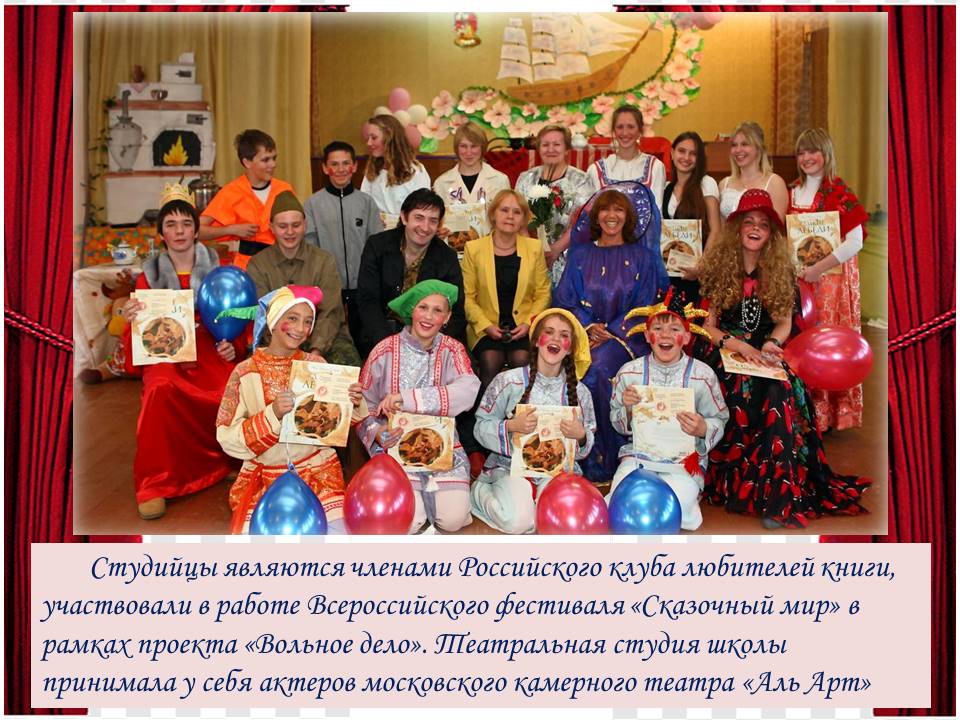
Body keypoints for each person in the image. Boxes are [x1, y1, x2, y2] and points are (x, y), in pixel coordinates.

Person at [697, 189, 871, 529]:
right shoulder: (719, 268)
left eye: (763, 224)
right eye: (749, 221)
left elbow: (784, 322)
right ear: (737, 228)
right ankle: (740, 482)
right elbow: (709, 327)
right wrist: (739, 347)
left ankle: (778, 496)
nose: (755, 228)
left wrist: (772, 344)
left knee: (779, 389)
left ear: (771, 234)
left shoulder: (779, 269)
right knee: (738, 386)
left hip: (767, 349)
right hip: (727, 348)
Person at [119, 184, 244, 520]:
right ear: (161, 232)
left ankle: (224, 460)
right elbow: (143, 335)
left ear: (196, 229)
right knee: (160, 388)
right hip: (166, 349)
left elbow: (236, 315)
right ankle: (155, 482)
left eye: (186, 224)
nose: (179, 231)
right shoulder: (147, 276)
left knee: (227, 386)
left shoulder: (219, 267)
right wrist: (132, 318)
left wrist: (232, 344)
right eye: (171, 225)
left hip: (207, 344)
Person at [216, 285, 364, 533]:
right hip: (265, 481)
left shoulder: (316, 364)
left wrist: (352, 402)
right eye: (292, 318)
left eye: (307, 322)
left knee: (337, 538)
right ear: (273, 321)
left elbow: (335, 426)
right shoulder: (244, 372)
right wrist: (272, 414)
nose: (300, 328)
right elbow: (226, 437)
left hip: (319, 475)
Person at [554, 185, 670, 482]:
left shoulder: (642, 257)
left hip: (628, 337)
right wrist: (588, 326)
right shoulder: (580, 255)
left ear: (628, 217)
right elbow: (564, 299)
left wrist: (613, 330)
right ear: (596, 216)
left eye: (619, 209)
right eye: (605, 209)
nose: (611, 215)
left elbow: (646, 304)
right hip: (582, 333)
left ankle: (608, 460)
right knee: (574, 363)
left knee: (598, 367)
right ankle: (576, 455)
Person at [357, 280, 480, 533]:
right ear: (412, 310)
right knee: (409, 521)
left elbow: (469, 389)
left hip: (445, 451)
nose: (429, 316)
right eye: (423, 307)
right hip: (395, 450)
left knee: (452, 520)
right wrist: (377, 432)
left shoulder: (453, 350)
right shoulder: (384, 350)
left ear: (447, 318)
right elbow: (363, 405)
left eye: (438, 310)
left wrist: (407, 398)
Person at [608, 288, 728, 531]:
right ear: (647, 335)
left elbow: (719, 418)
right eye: (658, 328)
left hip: (683, 463)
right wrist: (628, 410)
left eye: (675, 329)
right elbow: (616, 421)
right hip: (639, 458)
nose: (665, 335)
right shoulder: (629, 373)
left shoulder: (703, 376)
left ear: (687, 337)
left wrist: (703, 428)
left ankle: (686, 503)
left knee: (672, 506)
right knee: (622, 504)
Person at [470, 309, 596, 534]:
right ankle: (480, 492)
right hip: (511, 469)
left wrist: (581, 436)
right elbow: (480, 426)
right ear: (537, 340)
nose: (556, 339)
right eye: (549, 332)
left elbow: (587, 441)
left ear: (570, 348)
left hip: (558, 473)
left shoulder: (581, 392)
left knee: (565, 521)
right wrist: (511, 426)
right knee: (518, 522)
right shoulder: (508, 381)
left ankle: (536, 503)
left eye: (564, 335)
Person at [787, 128, 870, 432]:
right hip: (800, 281)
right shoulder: (792, 190)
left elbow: (855, 241)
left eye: (813, 151)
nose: (807, 158)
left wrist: (818, 268)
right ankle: (803, 411)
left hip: (830, 284)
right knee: (801, 339)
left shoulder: (838, 192)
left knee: (825, 341)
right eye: (801, 152)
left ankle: (826, 415)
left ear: (826, 153)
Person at [246, 190, 361, 367]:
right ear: (272, 228)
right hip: (276, 338)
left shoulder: (324, 261)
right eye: (282, 226)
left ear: (305, 225)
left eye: (296, 225)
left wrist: (315, 352)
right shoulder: (258, 264)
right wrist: (285, 350)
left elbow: (330, 312)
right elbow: (265, 315)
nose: (290, 232)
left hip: (323, 336)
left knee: (348, 364)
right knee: (252, 368)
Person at [352, 188, 466, 358]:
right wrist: (389, 345)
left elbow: (456, 311)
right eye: (419, 218)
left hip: (430, 339)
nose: (425, 227)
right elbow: (367, 301)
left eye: (433, 221)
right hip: (380, 333)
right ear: (404, 217)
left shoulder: (447, 257)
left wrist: (429, 346)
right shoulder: (377, 246)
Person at [461, 189, 551, 389]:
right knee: (490, 359)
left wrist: (528, 323)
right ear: (493, 214)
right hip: (485, 328)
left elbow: (543, 293)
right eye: (504, 210)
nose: (510, 216)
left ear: (523, 220)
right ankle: (485, 409)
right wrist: (486, 326)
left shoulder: (534, 248)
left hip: (523, 327)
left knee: (522, 359)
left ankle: (521, 408)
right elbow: (467, 297)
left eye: (517, 212)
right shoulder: (473, 249)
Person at [302, 140, 384, 316]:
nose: (340, 169)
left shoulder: (367, 202)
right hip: (327, 286)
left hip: (362, 285)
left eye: (346, 163)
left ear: (354, 167)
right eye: (334, 164)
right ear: (325, 168)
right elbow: (310, 247)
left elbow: (377, 244)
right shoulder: (312, 204)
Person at [199, 129, 295, 270]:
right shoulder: (230, 192)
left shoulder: (284, 189)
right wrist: (231, 229)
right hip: (248, 267)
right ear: (247, 162)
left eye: (274, 158)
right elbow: (197, 230)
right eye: (265, 160)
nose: (273, 164)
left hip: (283, 264)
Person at [514, 124, 590, 285]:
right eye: (545, 145)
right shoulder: (525, 178)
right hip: (530, 255)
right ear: (538, 148)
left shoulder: (581, 180)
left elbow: (585, 220)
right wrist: (533, 249)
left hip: (569, 259)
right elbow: (516, 216)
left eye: (556, 144)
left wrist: (556, 248)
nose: (551, 149)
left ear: (567, 149)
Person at [661, 131, 721, 303]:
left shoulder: (706, 183)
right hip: (670, 274)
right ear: (672, 153)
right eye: (681, 151)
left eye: (693, 153)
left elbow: (716, 230)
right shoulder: (665, 188)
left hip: (697, 275)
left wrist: (701, 267)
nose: (686, 157)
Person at [585, 105, 667, 202]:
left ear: (640, 130)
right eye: (620, 127)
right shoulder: (596, 170)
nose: (625, 133)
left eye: (630, 127)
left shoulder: (655, 167)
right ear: (614, 130)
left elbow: (657, 208)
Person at [361, 114, 431, 217]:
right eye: (368, 138)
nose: (369, 143)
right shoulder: (371, 170)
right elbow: (364, 205)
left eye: (374, 138)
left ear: (390, 138)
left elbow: (423, 209)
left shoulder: (415, 170)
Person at [718, 122, 788, 221]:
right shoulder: (724, 184)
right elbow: (721, 227)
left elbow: (776, 227)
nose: (738, 150)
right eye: (734, 145)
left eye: (744, 144)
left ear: (758, 148)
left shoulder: (775, 183)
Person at [433, 122, 511, 206]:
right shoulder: (442, 183)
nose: (468, 152)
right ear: (456, 148)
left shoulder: (500, 181)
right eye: (463, 146)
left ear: (482, 148)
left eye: (474, 146)